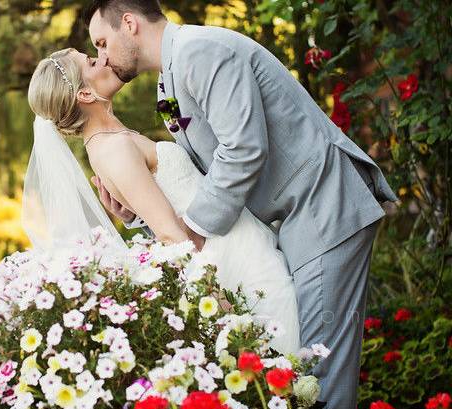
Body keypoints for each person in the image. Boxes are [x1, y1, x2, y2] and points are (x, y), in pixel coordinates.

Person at [82, 0, 398, 409]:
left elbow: (244, 150)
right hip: (297, 221)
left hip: (324, 206)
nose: (101, 57)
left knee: (318, 382)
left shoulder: (201, 51)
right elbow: (195, 175)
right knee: (305, 380)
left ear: (129, 23)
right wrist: (136, 213)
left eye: (102, 42)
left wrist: (191, 232)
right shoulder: (169, 82)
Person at [26, 47, 301, 355]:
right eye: (92, 62)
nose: (103, 58)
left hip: (238, 241)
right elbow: (171, 235)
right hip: (232, 259)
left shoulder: (113, 141)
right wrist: (218, 305)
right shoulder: (113, 150)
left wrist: (134, 219)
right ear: (86, 94)